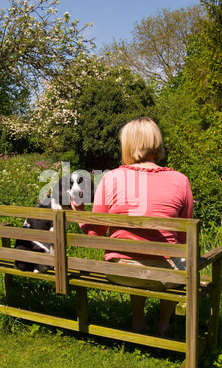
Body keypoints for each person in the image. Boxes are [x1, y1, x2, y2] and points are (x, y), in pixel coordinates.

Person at [70, 117, 193, 336]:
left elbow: (94, 233)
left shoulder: (111, 178)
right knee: (177, 258)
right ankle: (164, 324)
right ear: (157, 143)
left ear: (127, 144)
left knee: (132, 255)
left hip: (121, 271)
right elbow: (184, 238)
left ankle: (138, 321)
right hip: (168, 274)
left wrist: (78, 212)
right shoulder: (180, 180)